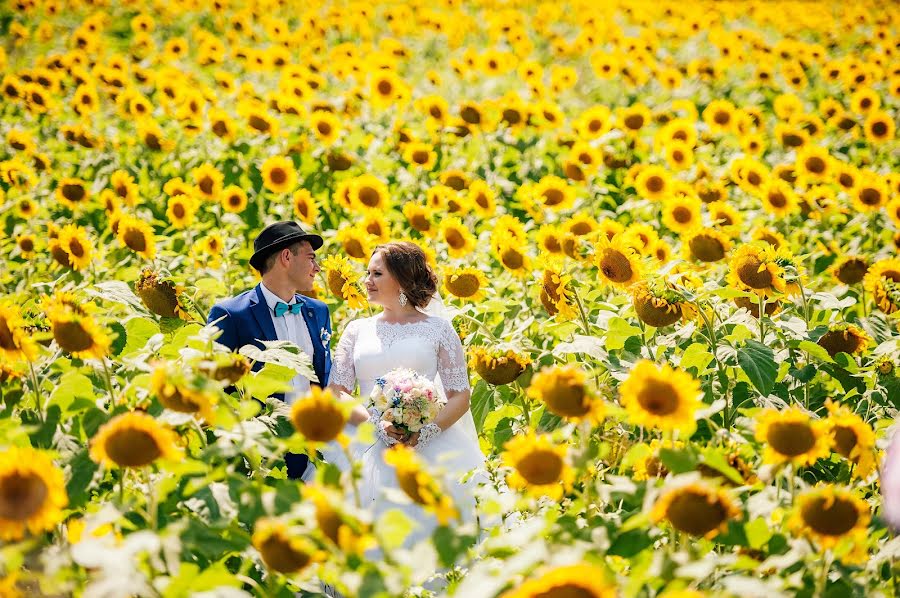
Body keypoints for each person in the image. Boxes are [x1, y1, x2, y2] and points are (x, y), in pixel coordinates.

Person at [328, 241, 486, 547]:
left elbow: (460, 395)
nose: (367, 281)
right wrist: (376, 424)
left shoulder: (439, 329)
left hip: (429, 446)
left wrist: (423, 433)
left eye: (377, 274)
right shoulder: (356, 330)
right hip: (366, 444)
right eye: (367, 272)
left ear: (401, 279)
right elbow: (337, 391)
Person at [207, 221, 331, 481]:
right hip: (263, 453)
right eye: (311, 258)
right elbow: (215, 389)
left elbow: (322, 379)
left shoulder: (318, 312)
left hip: (317, 448)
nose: (317, 268)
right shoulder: (231, 314)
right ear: (287, 257)